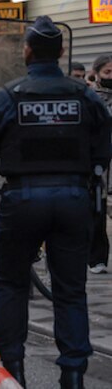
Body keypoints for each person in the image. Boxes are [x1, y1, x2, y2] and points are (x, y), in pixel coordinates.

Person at [0, 16, 111, 389]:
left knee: (12, 285)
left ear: (27, 51)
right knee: (70, 290)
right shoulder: (84, 95)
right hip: (72, 197)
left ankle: (13, 369)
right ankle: (73, 373)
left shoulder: (10, 94)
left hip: (23, 198)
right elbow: (104, 143)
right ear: (62, 52)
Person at [89, 54, 112, 275]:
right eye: (108, 72)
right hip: (100, 163)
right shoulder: (90, 98)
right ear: (96, 73)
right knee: (97, 211)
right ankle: (97, 258)